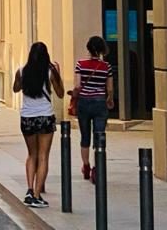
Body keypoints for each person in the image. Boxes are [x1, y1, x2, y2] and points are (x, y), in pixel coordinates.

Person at [13, 41, 64, 208]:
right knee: (43, 156)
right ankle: (37, 194)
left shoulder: (21, 71)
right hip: (45, 117)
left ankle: (29, 189)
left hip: (27, 117)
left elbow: (15, 89)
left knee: (31, 155)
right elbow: (61, 93)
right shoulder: (50, 72)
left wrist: (21, 79)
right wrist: (58, 73)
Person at [73, 36, 113, 182]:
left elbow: (77, 86)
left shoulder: (80, 64)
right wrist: (109, 99)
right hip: (100, 103)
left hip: (84, 102)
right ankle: (97, 169)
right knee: (99, 135)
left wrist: (74, 95)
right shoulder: (106, 66)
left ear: (88, 48)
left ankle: (86, 166)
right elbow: (110, 88)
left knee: (85, 136)